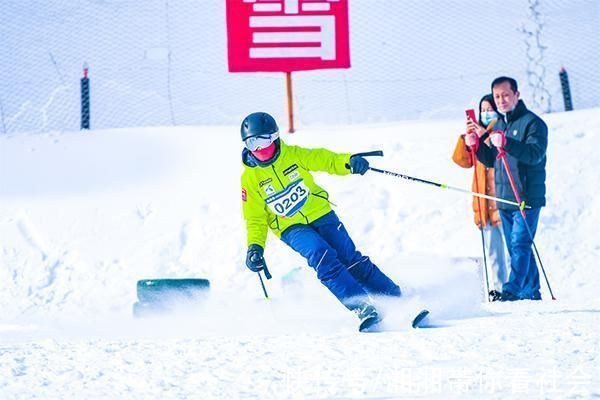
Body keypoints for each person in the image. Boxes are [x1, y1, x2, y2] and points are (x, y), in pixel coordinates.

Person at [240, 112, 402, 331]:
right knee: (320, 254)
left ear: (275, 137)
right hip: (290, 227)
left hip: (320, 213)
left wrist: (349, 162)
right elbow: (255, 217)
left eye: (264, 140)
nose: (260, 149)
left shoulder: (293, 155)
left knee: (350, 259)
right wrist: (255, 247)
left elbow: (324, 159)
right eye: (252, 142)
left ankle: (396, 299)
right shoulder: (250, 179)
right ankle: (361, 306)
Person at [468, 77, 548, 301]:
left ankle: (511, 290)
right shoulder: (501, 124)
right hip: (505, 198)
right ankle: (530, 292)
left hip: (526, 195)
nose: (501, 100)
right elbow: (493, 160)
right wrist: (475, 145)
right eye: (497, 97)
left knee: (520, 244)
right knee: (517, 248)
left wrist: (507, 143)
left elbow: (535, 154)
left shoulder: (533, 123)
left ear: (516, 95)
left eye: (505, 95)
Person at [452, 94, 510, 301]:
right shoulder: (477, 135)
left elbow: (499, 157)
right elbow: (462, 161)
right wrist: (466, 142)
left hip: (503, 202)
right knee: (493, 252)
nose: (486, 114)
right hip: (484, 205)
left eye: (489, 109)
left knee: (512, 250)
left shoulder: (501, 131)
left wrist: (483, 135)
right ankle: (498, 289)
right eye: (483, 110)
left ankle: (513, 287)